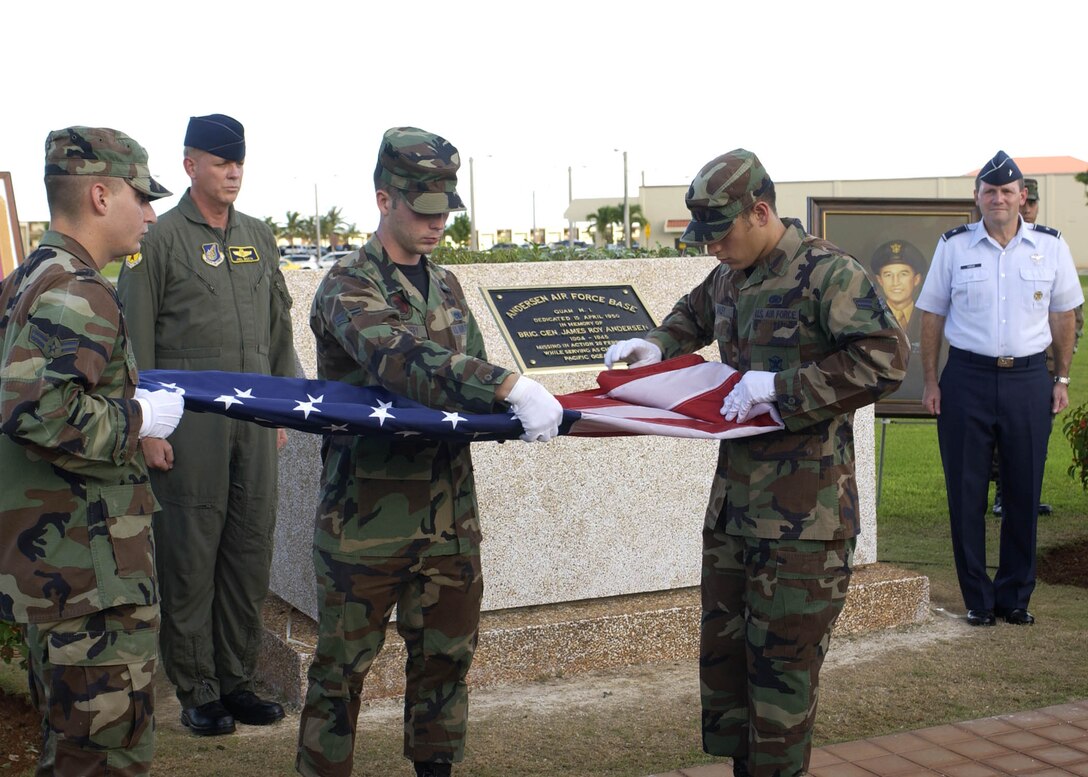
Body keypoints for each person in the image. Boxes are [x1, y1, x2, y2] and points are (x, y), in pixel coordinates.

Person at [605, 149, 908, 777]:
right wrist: (654, 344)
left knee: (780, 689)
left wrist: (783, 387)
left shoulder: (829, 274)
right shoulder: (731, 275)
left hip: (805, 523)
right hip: (735, 512)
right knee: (728, 677)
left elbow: (885, 359)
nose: (712, 248)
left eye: (721, 233)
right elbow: (691, 316)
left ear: (761, 211)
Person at [297, 127, 564, 777]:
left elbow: (463, 363)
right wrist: (506, 384)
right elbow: (402, 363)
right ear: (384, 198)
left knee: (446, 662)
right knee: (340, 673)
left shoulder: (446, 284)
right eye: (423, 206)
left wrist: (508, 397)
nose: (438, 219)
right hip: (366, 519)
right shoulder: (346, 286)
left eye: (446, 205)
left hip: (447, 515)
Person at [0, 127, 182, 775]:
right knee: (102, 760)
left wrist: (136, 443)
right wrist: (140, 416)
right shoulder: (79, 289)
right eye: (142, 195)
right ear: (101, 195)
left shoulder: (30, 278)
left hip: (62, 578)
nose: (152, 213)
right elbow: (36, 413)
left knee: (72, 751)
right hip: (92, 587)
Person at [116, 113, 295, 735]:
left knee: (250, 549)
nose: (233, 172)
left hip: (254, 423)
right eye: (221, 163)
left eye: (239, 162)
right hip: (188, 426)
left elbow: (278, 329)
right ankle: (197, 687)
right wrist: (148, 428)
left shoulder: (258, 235)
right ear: (191, 164)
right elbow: (134, 339)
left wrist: (281, 404)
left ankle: (239, 681)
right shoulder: (159, 240)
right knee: (191, 557)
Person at [916, 151, 1083, 628]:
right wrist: (931, 380)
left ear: (1022, 196)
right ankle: (977, 597)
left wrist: (1062, 379)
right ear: (978, 199)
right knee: (965, 492)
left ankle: (1015, 596)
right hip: (966, 379)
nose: (998, 199)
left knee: (1024, 490)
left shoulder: (1050, 247)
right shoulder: (954, 247)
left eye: (1007, 191)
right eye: (990, 192)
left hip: (1030, 380)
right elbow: (932, 315)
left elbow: (1064, 315)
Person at [870, 239, 927, 400]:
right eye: (888, 275)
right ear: (879, 280)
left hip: (920, 398)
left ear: (916, 279)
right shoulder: (866, 320)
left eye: (903, 274)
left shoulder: (931, 320)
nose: (895, 282)